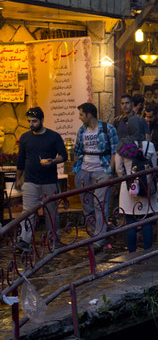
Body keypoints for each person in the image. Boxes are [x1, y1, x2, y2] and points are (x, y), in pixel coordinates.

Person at [14, 107, 67, 251]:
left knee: (51, 213)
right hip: (30, 181)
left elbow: (64, 155)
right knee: (28, 212)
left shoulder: (53, 136)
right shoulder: (25, 137)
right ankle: (24, 241)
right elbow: (21, 159)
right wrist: (19, 178)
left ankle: (54, 240)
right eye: (29, 121)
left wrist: (53, 161)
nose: (31, 124)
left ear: (42, 120)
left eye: (34, 121)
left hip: (49, 181)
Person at [73, 102, 118, 249]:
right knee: (87, 205)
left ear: (89, 114)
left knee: (101, 204)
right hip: (84, 171)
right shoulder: (82, 130)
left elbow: (114, 152)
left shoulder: (108, 129)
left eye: (81, 114)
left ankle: (100, 238)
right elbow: (77, 150)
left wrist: (109, 172)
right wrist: (77, 171)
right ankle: (94, 231)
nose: (79, 117)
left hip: (101, 170)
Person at [115, 117, 158, 253]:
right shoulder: (149, 146)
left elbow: (118, 169)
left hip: (129, 188)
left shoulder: (122, 146)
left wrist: (127, 179)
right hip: (146, 186)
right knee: (146, 221)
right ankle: (147, 252)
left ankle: (132, 253)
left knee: (130, 223)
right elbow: (155, 167)